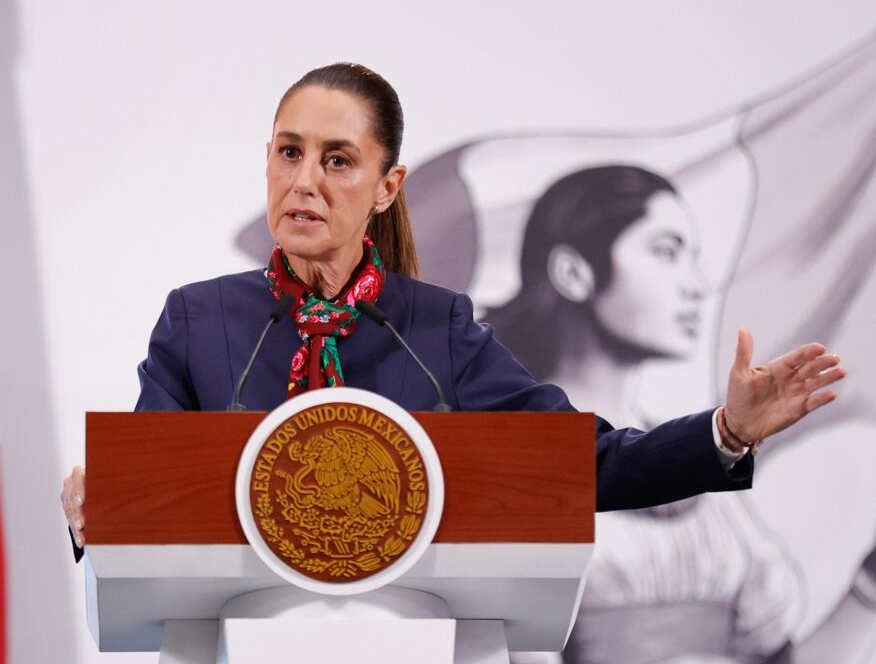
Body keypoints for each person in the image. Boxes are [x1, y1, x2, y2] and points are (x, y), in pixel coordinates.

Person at [60, 64, 845, 562]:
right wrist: (98, 510)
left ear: (387, 188)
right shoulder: (197, 322)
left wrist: (727, 432)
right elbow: (149, 506)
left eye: (337, 160)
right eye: (288, 152)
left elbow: (585, 463)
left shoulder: (441, 330)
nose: (303, 181)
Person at [481, 165, 875, 662]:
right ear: (574, 272)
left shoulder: (702, 475)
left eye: (694, 258)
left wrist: (869, 584)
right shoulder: (507, 463)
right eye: (666, 252)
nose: (696, 284)